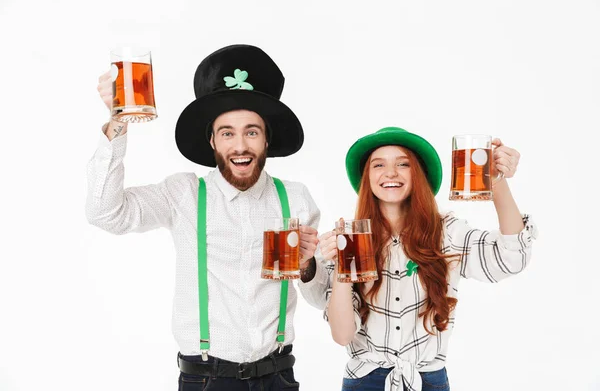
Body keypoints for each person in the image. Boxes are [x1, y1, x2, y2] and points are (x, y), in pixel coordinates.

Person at [86, 44, 324, 390]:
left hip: (278, 377)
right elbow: (105, 212)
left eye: (251, 131)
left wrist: (307, 266)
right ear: (212, 141)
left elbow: (320, 297)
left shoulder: (296, 199)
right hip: (207, 380)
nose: (240, 145)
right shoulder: (182, 194)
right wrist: (118, 123)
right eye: (227, 133)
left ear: (266, 140)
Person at [317, 127, 538, 391]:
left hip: (428, 381)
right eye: (378, 165)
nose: (390, 173)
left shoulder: (448, 232)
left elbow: (510, 258)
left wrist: (497, 180)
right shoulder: (351, 237)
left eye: (403, 164)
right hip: (365, 380)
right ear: (367, 178)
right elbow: (342, 335)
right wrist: (343, 267)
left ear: (418, 175)